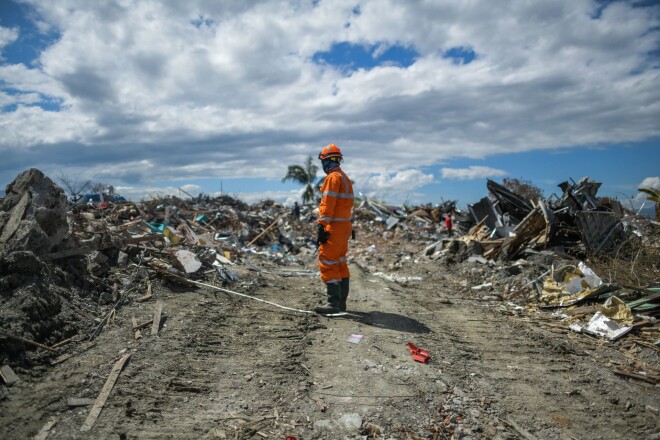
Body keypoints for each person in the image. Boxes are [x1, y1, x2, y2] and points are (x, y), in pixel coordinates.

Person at [315, 143, 354, 314]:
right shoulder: (345, 178)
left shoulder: (332, 178)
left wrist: (321, 225)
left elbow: (328, 204)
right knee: (339, 262)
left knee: (328, 261)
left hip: (334, 227)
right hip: (344, 226)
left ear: (326, 161)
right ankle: (341, 304)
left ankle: (333, 304)